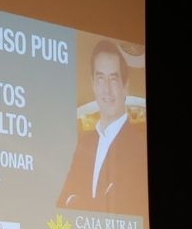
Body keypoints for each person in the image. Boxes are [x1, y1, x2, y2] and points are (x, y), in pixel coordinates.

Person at [55, 38, 148, 212]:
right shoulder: (85, 144)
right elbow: (62, 204)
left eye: (113, 79)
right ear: (93, 84)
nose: (107, 89)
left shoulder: (140, 147)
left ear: (125, 87)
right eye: (100, 79)